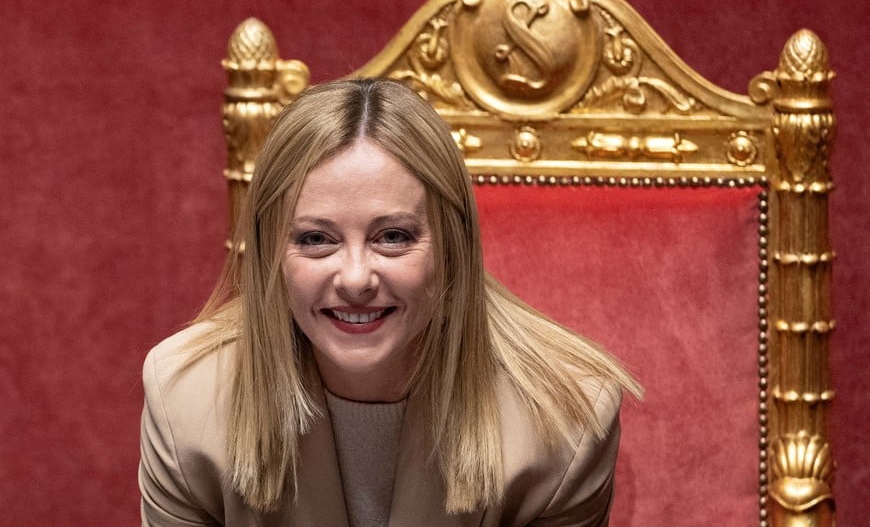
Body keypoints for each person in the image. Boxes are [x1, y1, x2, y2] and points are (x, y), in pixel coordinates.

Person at [139, 78, 641, 526]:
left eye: (393, 236)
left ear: (453, 246)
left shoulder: (564, 418)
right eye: (316, 239)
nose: (356, 278)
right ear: (271, 252)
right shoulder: (186, 398)